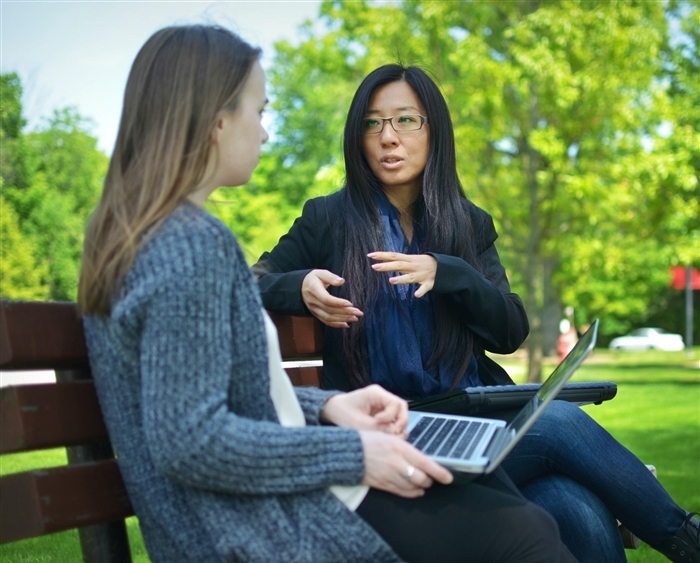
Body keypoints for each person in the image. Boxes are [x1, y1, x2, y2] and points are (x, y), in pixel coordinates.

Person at [76, 26, 578, 563]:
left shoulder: (157, 236)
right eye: (259, 111)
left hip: (263, 502)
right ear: (217, 120)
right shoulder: (189, 245)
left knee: (540, 512)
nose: (265, 132)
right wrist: (356, 451)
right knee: (527, 535)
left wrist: (332, 405)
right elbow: (193, 441)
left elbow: (226, 404)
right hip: (255, 529)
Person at [253, 63, 699, 563]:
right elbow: (252, 280)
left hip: (470, 414)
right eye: (372, 123)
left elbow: (509, 330)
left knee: (577, 509)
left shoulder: (468, 223)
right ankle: (686, 539)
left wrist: (451, 273)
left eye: (406, 121)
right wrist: (300, 286)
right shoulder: (327, 219)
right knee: (559, 424)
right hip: (393, 426)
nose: (387, 137)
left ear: (434, 131)